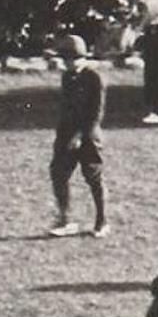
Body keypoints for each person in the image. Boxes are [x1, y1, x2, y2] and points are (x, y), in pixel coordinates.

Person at [46, 34, 108, 236]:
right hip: (67, 134)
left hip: (88, 137)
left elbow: (96, 113)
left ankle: (102, 222)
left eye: (70, 59)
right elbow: (66, 108)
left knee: (93, 177)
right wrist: (64, 136)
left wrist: (81, 136)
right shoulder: (67, 77)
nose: (67, 64)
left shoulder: (94, 78)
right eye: (65, 60)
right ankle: (65, 219)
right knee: (58, 173)